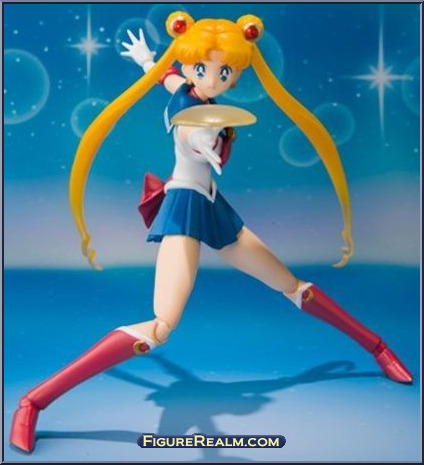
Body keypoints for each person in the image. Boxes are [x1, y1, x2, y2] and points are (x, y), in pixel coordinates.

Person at [9, 12, 413, 453]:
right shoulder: (187, 110)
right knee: (159, 327)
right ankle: (34, 401)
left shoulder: (187, 89)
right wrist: (199, 140)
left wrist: (147, 63)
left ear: (236, 73)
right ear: (190, 63)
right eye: (202, 68)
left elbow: (169, 80)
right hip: (185, 209)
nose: (212, 79)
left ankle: (378, 348)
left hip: (213, 207)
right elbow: (186, 129)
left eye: (224, 72)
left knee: (294, 287)